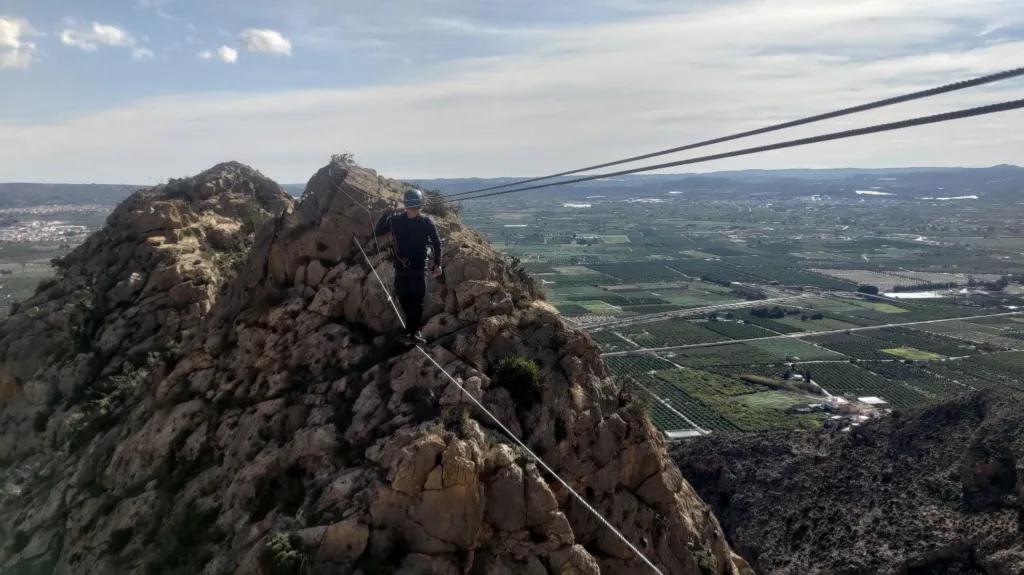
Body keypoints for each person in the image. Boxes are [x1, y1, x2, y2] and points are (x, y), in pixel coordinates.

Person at [374, 189, 443, 345]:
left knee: (417, 299)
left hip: (419, 265)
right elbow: (378, 231)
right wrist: (386, 214)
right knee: (403, 296)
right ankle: (411, 332)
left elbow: (438, 243)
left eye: (416, 207)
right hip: (402, 265)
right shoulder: (397, 219)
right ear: (406, 206)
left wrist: (438, 263)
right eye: (411, 207)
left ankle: (414, 332)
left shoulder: (426, 222)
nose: (414, 210)